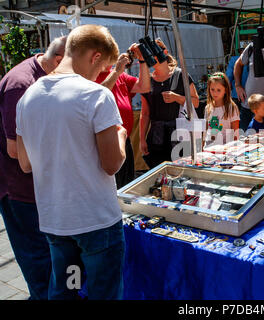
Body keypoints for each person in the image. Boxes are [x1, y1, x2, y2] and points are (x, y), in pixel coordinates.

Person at [15, 24, 127, 300]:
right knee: (104, 293)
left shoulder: (27, 97)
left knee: (67, 290)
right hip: (96, 222)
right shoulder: (96, 95)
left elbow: (25, 164)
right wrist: (121, 136)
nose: (101, 76)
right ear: (95, 56)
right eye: (103, 69)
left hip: (56, 221)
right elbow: (112, 163)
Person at [0, 36, 67, 300]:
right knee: (37, 258)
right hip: (18, 189)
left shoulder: (44, 76)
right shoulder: (21, 85)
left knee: (48, 255)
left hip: (36, 185)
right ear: (60, 61)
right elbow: (15, 150)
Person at [95, 43, 150, 189]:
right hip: (105, 144)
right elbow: (99, 95)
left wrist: (142, 61)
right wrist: (117, 72)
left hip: (124, 141)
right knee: (112, 188)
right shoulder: (90, 76)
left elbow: (144, 86)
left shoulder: (120, 75)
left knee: (127, 186)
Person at [139, 39, 199, 170]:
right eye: (148, 54)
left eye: (155, 53)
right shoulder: (147, 80)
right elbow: (145, 113)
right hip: (156, 139)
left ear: (164, 52)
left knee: (180, 174)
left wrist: (177, 98)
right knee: (159, 175)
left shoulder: (180, 75)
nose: (152, 57)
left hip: (179, 137)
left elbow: (195, 101)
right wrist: (142, 139)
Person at [203, 72, 240, 148]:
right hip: (210, 148)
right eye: (212, 89)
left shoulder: (231, 107)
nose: (215, 93)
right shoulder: (208, 108)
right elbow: (206, 130)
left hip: (226, 149)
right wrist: (202, 146)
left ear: (225, 90)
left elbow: (235, 132)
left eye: (218, 90)